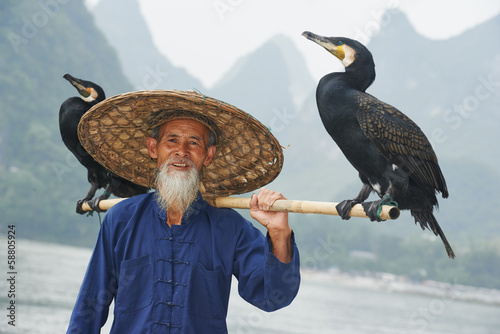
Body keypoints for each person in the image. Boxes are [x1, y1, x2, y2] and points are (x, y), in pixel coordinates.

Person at [67, 90, 300, 333]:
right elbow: (90, 307)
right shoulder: (121, 220)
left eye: (194, 143)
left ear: (208, 155)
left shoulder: (231, 229)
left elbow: (273, 297)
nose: (182, 151)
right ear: (153, 148)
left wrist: (279, 233)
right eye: (172, 140)